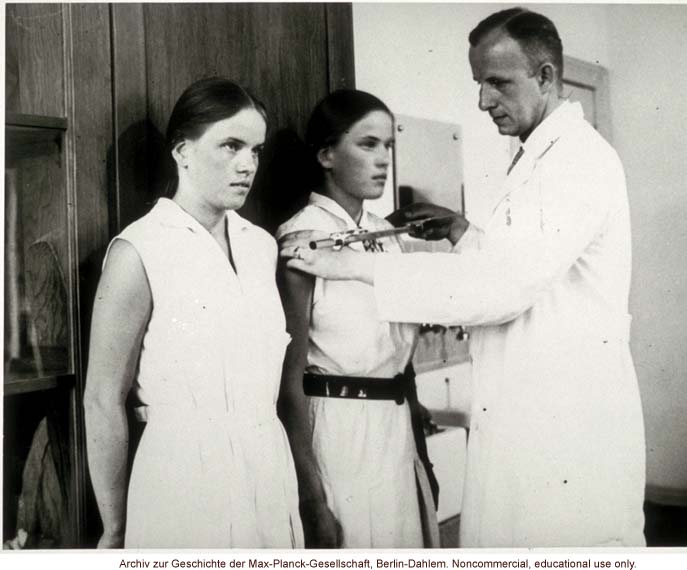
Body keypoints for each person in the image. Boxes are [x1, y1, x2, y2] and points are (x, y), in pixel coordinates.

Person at [281, 7, 646, 548]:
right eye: (479, 84)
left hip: (562, 420)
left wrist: (353, 264)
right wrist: (465, 233)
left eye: (497, 83)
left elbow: (504, 286)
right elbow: (511, 263)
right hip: (497, 415)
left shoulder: (577, 162)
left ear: (546, 77)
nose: (482, 102)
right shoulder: (535, 160)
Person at [84, 77, 304, 548]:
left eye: (256, 150)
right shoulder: (138, 249)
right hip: (181, 479)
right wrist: (115, 526)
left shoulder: (260, 246)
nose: (248, 165)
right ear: (182, 151)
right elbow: (102, 398)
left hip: (266, 467)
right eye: (231, 145)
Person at [275, 89, 439, 548]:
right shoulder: (302, 238)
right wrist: (311, 498)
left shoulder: (388, 236)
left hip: (396, 429)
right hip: (338, 433)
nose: (383, 159)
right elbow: (287, 382)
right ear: (327, 154)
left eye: (388, 145)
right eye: (368, 144)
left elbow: (399, 357)